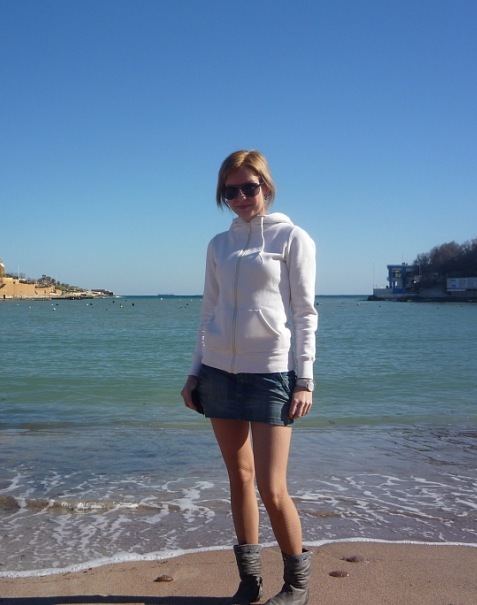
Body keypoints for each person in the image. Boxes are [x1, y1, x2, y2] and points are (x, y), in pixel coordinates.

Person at [181, 150, 317, 605]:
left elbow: (305, 313)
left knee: (272, 488)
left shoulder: (292, 238)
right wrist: (194, 372)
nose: (240, 197)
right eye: (230, 190)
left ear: (266, 186)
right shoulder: (218, 245)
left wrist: (305, 380)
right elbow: (208, 311)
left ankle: (296, 585)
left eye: (248, 187)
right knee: (239, 479)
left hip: (271, 374)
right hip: (219, 374)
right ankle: (249, 582)